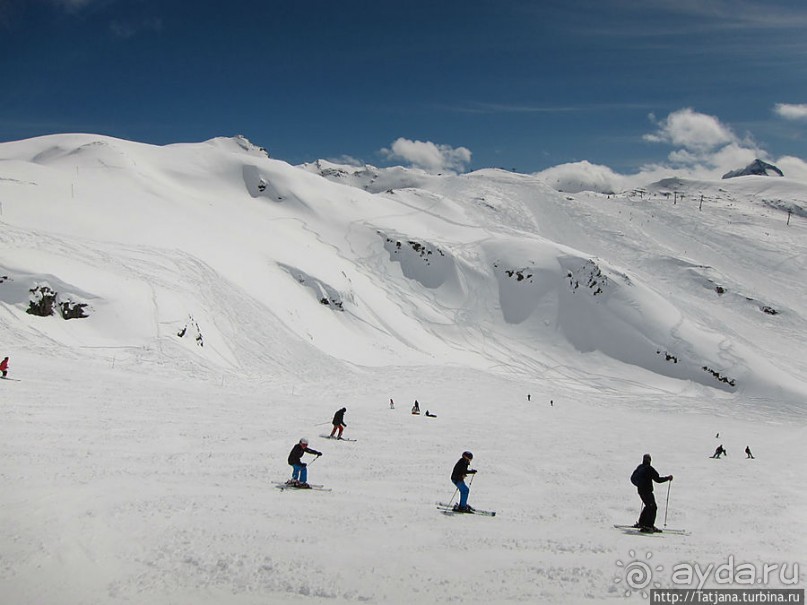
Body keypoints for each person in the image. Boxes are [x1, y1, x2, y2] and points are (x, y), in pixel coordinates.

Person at [630, 453, 673, 532]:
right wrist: (668, 478)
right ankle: (648, 526)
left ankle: (642, 523)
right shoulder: (649, 469)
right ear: (650, 460)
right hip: (647, 491)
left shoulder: (639, 467)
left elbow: (632, 478)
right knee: (653, 507)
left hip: (640, 491)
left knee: (648, 506)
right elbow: (658, 480)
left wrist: (639, 485)